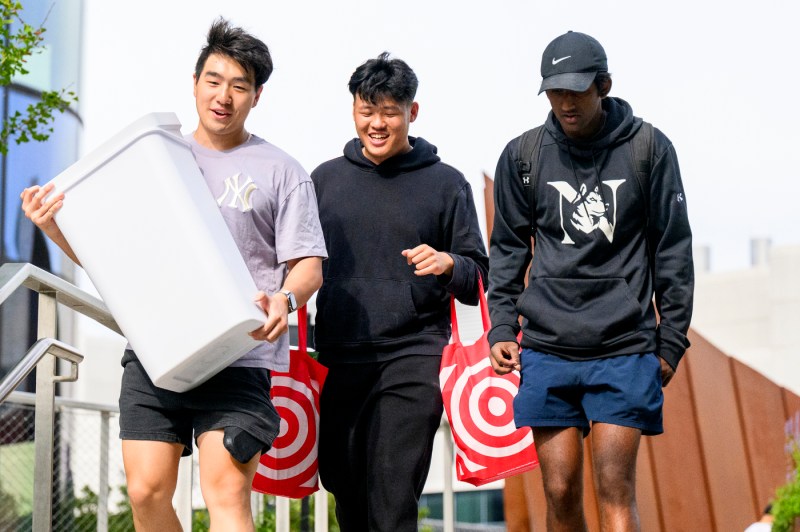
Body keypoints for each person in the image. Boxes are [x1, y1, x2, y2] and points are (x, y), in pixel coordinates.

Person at [20, 19, 327, 531]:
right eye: (214, 80)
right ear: (194, 82)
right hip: (157, 352)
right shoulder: (155, 159)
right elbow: (113, 258)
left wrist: (285, 300)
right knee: (145, 492)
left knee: (225, 492)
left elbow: (308, 267)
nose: (223, 96)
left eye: (239, 86)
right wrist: (52, 226)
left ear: (257, 96)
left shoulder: (282, 171)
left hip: (241, 354)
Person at [488, 31, 693, 531]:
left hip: (624, 345)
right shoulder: (523, 156)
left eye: (576, 90)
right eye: (555, 91)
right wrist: (501, 328)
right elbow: (508, 250)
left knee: (614, 488)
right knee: (559, 490)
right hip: (548, 345)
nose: (565, 102)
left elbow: (673, 249)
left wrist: (670, 341)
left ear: (603, 85)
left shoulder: (648, 148)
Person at [310, 52, 489, 532]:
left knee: (392, 498)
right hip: (340, 356)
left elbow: (478, 275)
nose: (377, 123)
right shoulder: (323, 180)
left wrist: (449, 263)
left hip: (413, 354)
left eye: (390, 112)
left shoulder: (446, 183)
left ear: (413, 111)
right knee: (346, 493)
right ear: (353, 110)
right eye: (367, 110)